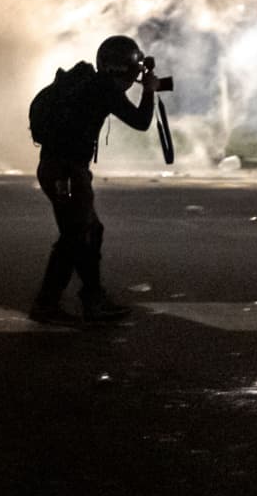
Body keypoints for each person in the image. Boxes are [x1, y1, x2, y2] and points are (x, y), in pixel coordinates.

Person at [27, 34, 161, 325]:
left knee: (88, 230)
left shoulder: (86, 83)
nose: (134, 78)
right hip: (67, 172)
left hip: (57, 168)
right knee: (74, 236)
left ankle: (92, 298)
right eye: (133, 71)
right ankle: (49, 304)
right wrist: (149, 91)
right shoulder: (104, 88)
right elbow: (141, 121)